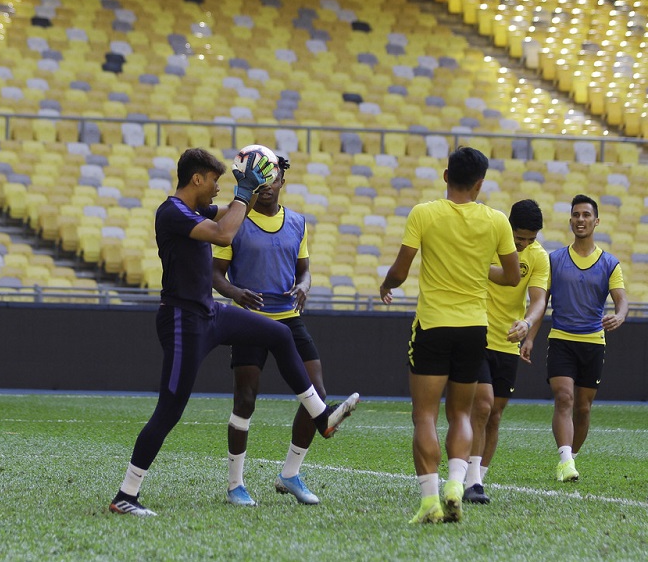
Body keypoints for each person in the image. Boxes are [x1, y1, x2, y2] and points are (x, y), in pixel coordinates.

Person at [109, 148, 359, 517]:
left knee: (278, 334)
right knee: (169, 411)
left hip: (209, 313)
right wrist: (244, 191)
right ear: (197, 178)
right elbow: (225, 235)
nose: (217, 189)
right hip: (183, 322)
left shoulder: (194, 209)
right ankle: (125, 495)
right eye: (213, 181)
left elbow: (236, 213)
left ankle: (320, 416)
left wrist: (257, 181)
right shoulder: (172, 212)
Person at [379, 146, 519, 525]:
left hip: (433, 325)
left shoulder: (424, 213)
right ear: (479, 183)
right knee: (461, 412)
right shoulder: (497, 222)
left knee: (424, 415)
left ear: (445, 176)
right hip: (475, 327)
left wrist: (386, 285)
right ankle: (457, 484)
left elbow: (401, 270)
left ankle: (429, 501)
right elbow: (512, 275)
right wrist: (477, 269)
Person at [212, 155, 358, 507]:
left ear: (281, 182)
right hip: (250, 319)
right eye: (259, 183)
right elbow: (214, 275)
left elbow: (304, 271)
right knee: (245, 400)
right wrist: (235, 293)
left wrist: (305, 285)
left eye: (271, 181)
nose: (266, 189)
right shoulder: (235, 221)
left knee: (317, 396)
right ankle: (235, 486)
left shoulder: (296, 222)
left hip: (289, 316)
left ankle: (290, 474)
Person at [535, 194, 626, 483]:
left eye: (586, 215)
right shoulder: (554, 260)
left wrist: (620, 316)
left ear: (596, 221)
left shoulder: (610, 263)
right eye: (576, 215)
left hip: (593, 343)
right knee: (564, 398)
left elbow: (621, 301)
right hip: (561, 339)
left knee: (583, 408)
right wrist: (528, 337)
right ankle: (564, 460)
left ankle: (569, 459)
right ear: (570, 220)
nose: (580, 220)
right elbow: (539, 303)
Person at [463, 199, 550, 505]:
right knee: (483, 406)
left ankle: (476, 479)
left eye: (530, 239)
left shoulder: (539, 258)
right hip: (477, 334)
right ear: (509, 228)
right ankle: (470, 482)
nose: (524, 244)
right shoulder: (489, 244)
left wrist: (527, 323)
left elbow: (539, 300)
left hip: (508, 341)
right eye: (519, 238)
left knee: (495, 415)